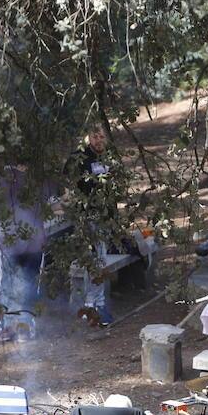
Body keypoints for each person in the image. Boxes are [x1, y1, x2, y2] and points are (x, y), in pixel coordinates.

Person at [67, 125, 119, 327]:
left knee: (100, 259)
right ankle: (94, 307)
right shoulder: (80, 157)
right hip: (87, 217)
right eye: (95, 137)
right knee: (95, 261)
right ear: (88, 138)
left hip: (105, 217)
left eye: (102, 137)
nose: (99, 141)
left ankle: (95, 305)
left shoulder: (108, 157)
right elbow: (67, 177)